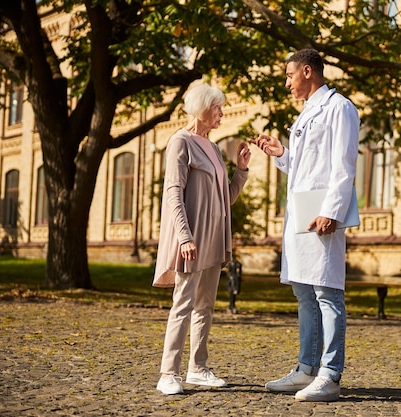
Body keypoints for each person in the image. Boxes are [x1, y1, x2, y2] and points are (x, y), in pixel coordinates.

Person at [250, 49, 359, 402]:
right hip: (300, 213)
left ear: (307, 71)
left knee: (327, 293)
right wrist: (282, 154)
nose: (287, 83)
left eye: (289, 75)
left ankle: (330, 373)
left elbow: (343, 165)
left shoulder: (339, 107)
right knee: (303, 291)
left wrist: (333, 211)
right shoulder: (307, 113)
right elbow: (304, 168)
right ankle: (307, 368)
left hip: (321, 215)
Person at [152, 83, 251, 395]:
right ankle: (168, 373)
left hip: (215, 239)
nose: (222, 113)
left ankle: (198, 368)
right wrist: (184, 236)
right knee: (183, 303)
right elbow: (173, 193)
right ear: (202, 108)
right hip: (191, 239)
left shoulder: (212, 147)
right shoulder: (180, 142)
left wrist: (241, 171)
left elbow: (226, 198)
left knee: (205, 306)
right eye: (217, 107)